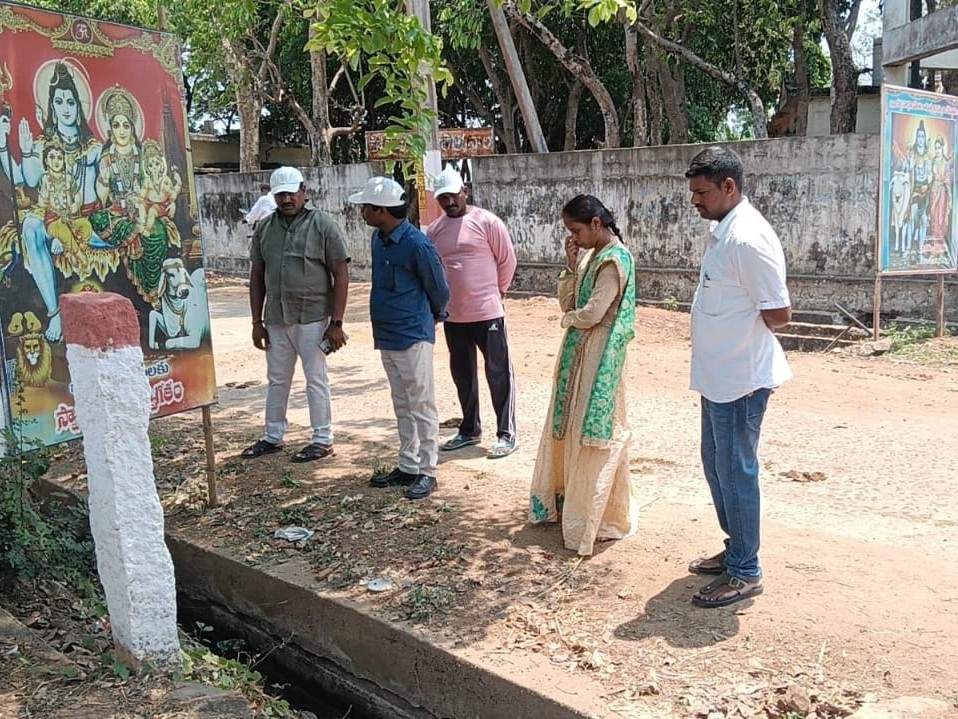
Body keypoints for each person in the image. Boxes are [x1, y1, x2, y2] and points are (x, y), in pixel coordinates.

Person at [683, 146, 792, 609]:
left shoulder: (747, 239)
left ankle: (746, 572)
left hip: (741, 380)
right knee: (717, 468)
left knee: (735, 473)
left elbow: (779, 313)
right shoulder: (725, 231)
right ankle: (737, 550)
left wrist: (738, 335)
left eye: (702, 192)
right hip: (718, 376)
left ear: (729, 187)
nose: (695, 201)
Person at [528, 194, 639, 556]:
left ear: (595, 223)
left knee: (594, 433)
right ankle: (570, 505)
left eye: (575, 231)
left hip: (600, 355)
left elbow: (591, 313)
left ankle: (598, 516)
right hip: (581, 353)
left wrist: (568, 320)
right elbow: (571, 303)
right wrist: (571, 264)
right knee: (573, 426)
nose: (572, 238)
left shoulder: (614, 260)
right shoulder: (591, 257)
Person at [348, 176, 450, 500]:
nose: (363, 212)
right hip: (388, 334)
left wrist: (431, 317)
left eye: (367, 207)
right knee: (402, 403)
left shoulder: (417, 244)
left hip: (412, 335)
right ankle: (408, 464)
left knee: (422, 404)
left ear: (381, 211)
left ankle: (428, 470)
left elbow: (439, 289)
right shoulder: (378, 240)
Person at [242, 166, 351, 463]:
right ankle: (273, 436)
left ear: (304, 191)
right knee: (277, 379)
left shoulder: (322, 224)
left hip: (312, 317)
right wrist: (256, 322)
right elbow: (257, 275)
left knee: (315, 378)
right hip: (276, 317)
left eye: (292, 193)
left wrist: (336, 323)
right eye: (281, 194)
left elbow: (341, 273)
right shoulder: (264, 228)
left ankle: (322, 439)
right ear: (273, 195)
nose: (287, 199)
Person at [427, 167, 519, 459]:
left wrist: (497, 292)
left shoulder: (487, 222)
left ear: (464, 191)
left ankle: (506, 433)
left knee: (498, 372)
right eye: (443, 198)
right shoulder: (435, 230)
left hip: (488, 313)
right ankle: (469, 430)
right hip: (453, 316)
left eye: (453, 196)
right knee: (462, 374)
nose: (449, 202)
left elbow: (507, 260)